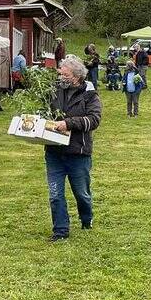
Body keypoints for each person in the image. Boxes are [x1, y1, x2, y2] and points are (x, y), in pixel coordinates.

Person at [44, 55, 102, 242]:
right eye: (61, 73)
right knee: (55, 194)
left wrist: (68, 123)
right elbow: (44, 111)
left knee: (82, 193)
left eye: (66, 74)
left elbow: (94, 120)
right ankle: (61, 230)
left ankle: (86, 218)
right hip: (54, 152)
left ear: (77, 76)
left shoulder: (90, 95)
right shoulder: (54, 90)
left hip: (78, 153)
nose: (61, 77)